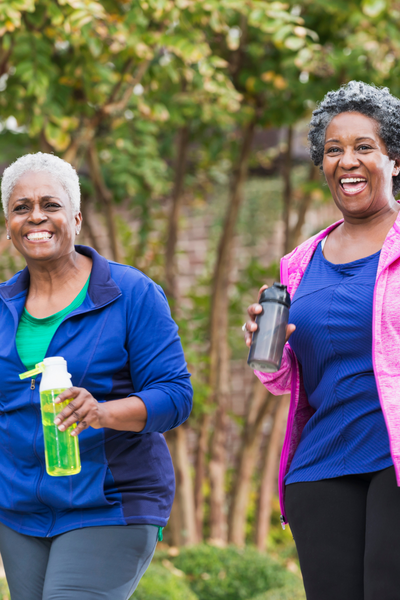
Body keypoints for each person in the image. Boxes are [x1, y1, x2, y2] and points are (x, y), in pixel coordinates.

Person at [0, 152, 193, 600]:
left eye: (50, 205)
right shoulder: (4, 306)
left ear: (77, 218)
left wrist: (102, 412)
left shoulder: (130, 294)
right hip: (19, 512)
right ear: (9, 223)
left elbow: (176, 397)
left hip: (109, 503)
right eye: (21, 207)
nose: (36, 217)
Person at [244, 81, 400, 600]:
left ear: (394, 160)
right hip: (321, 466)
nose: (347, 161)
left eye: (364, 147)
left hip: (392, 457)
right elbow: (292, 379)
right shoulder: (299, 261)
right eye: (334, 150)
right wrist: (269, 354)